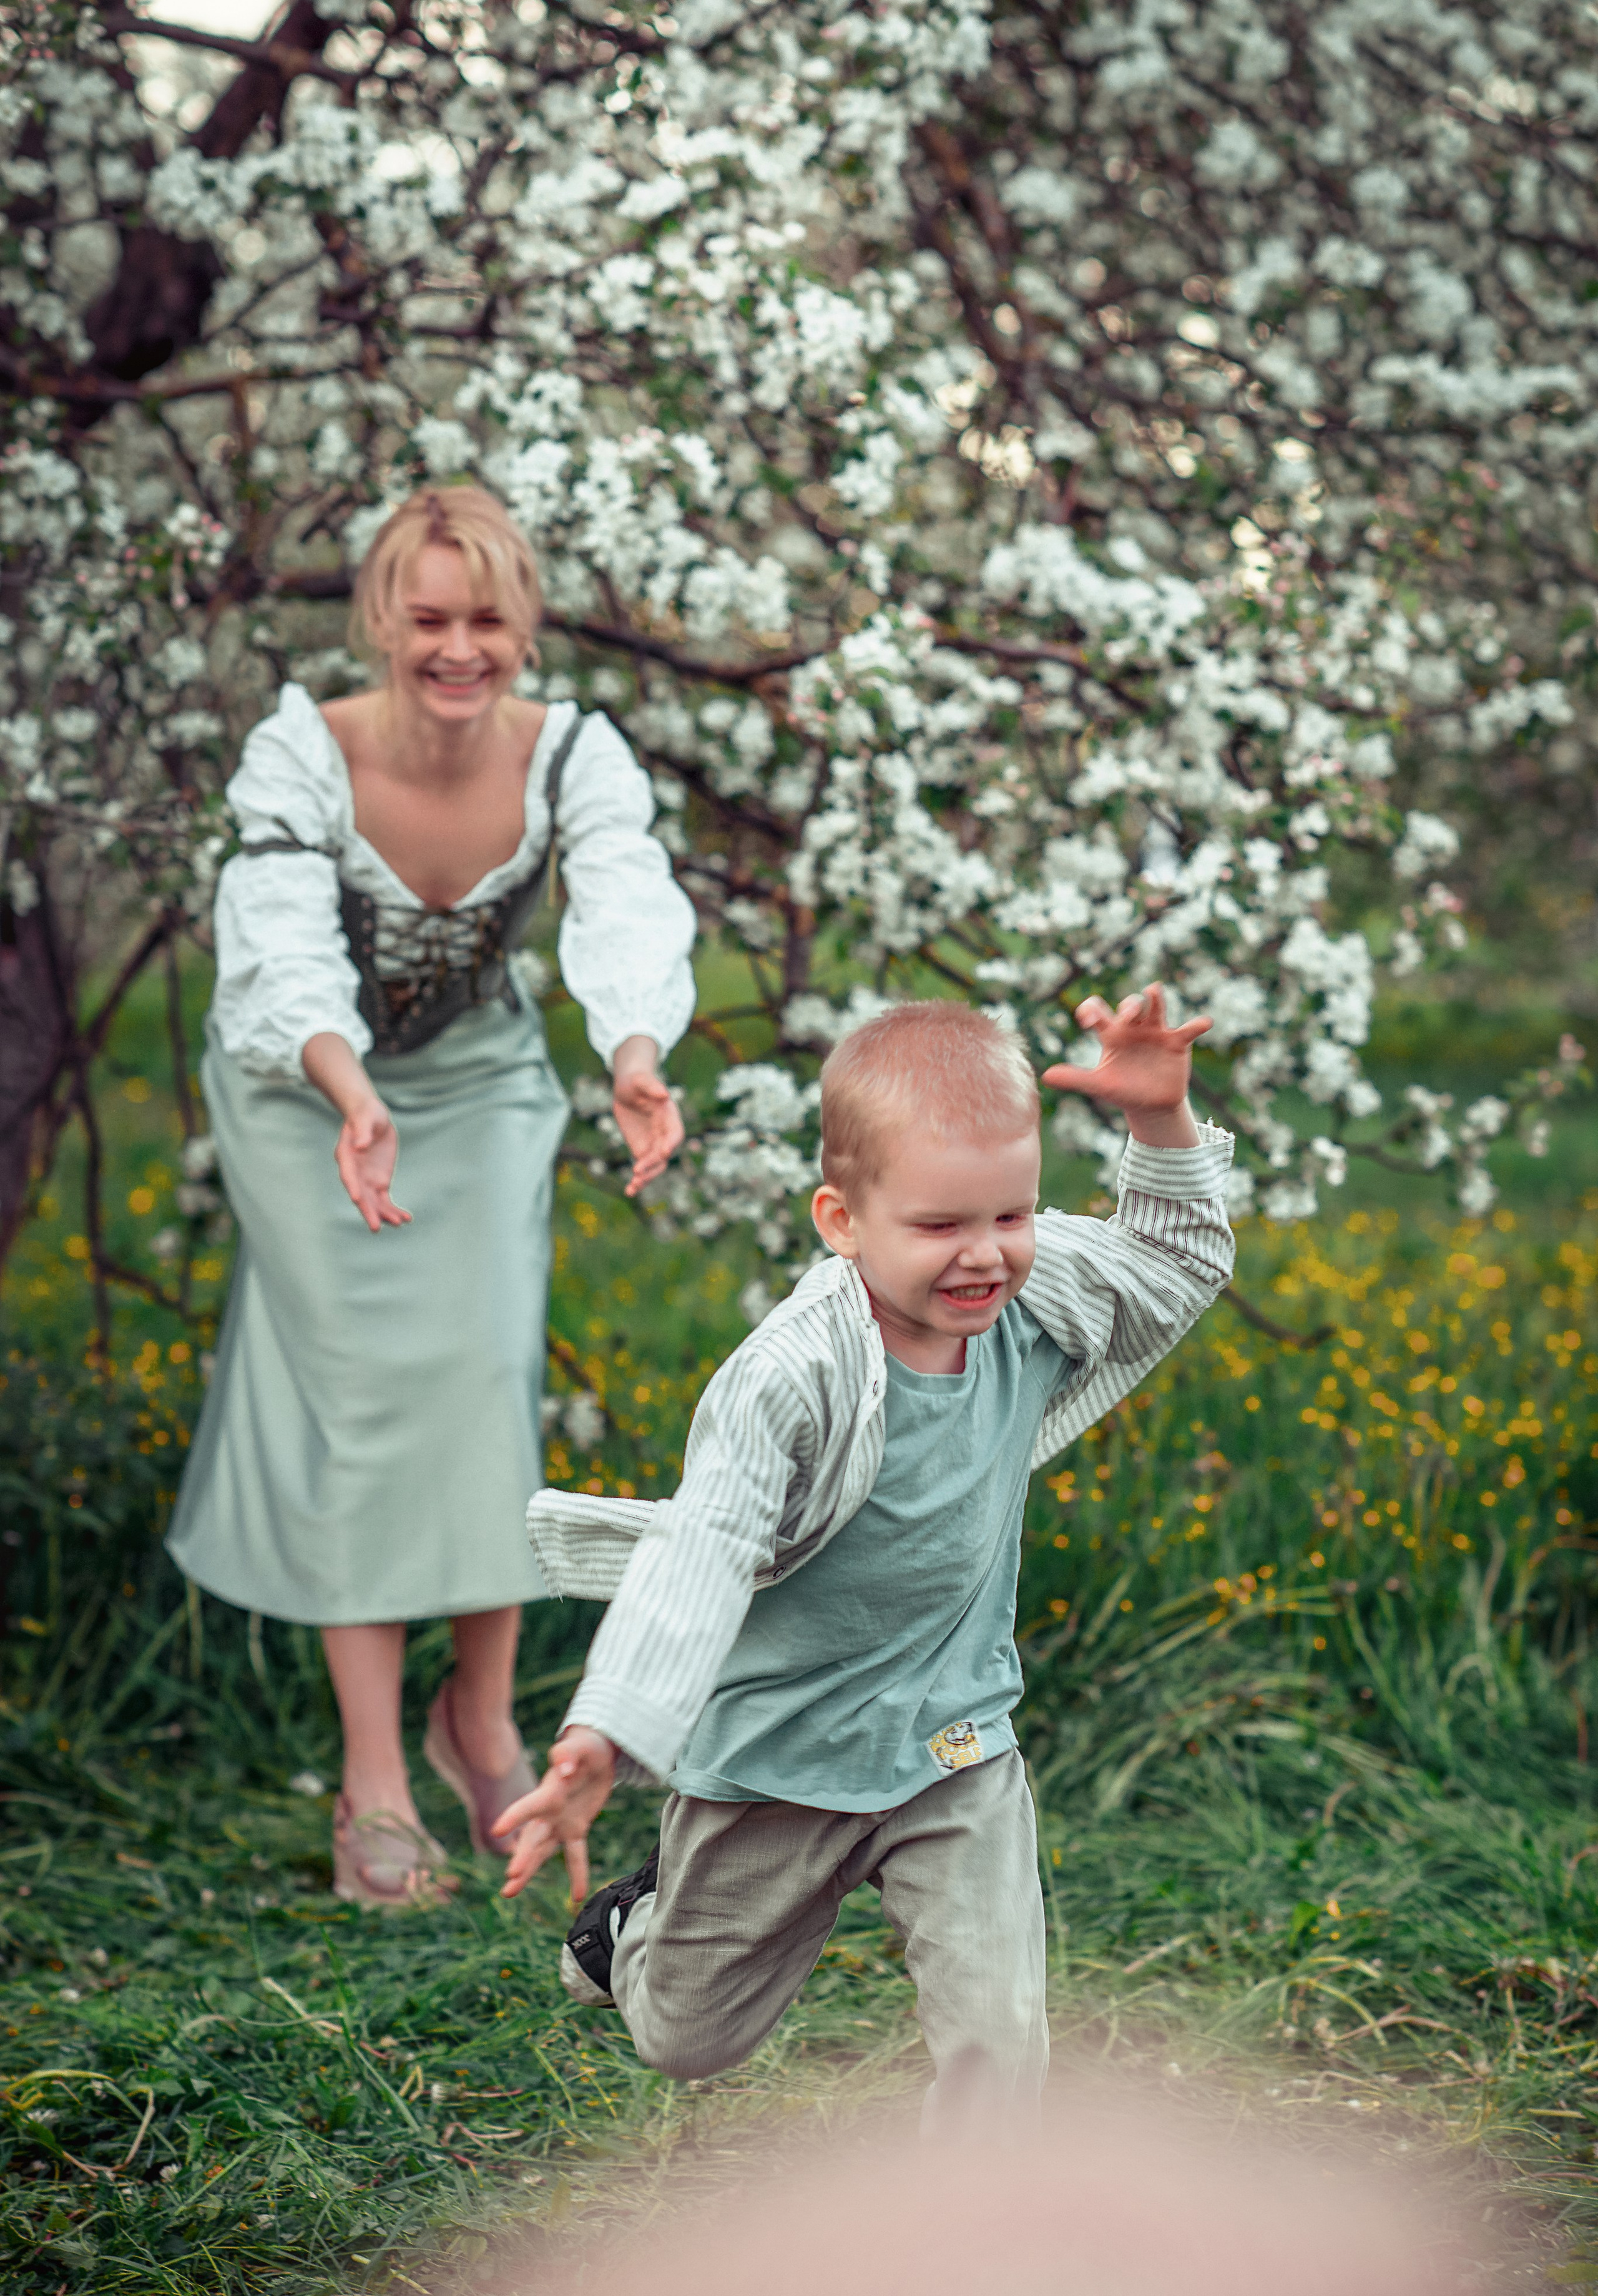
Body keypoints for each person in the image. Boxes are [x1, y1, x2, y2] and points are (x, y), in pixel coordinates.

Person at [496, 990, 1234, 2129]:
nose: (985, 1253)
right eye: (940, 1226)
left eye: (1012, 1213)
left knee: (1000, 2037)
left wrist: (1160, 1122)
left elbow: (1175, 1266)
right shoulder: (789, 1377)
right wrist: (609, 1732)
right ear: (842, 1220)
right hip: (781, 1751)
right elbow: (702, 1549)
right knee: (688, 2038)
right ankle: (636, 1926)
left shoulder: (1034, 1306)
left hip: (953, 1739)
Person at [167, 484, 697, 1908]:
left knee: (482, 1376)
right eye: (430, 620)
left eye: (489, 622)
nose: (460, 649)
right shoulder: (307, 749)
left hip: (475, 1082)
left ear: (524, 627)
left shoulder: (571, 749)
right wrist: (350, 1092)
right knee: (364, 1400)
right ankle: (374, 1781)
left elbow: (627, 898)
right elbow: (280, 947)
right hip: (307, 1088)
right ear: (380, 622)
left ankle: (479, 1717)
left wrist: (634, 1057)